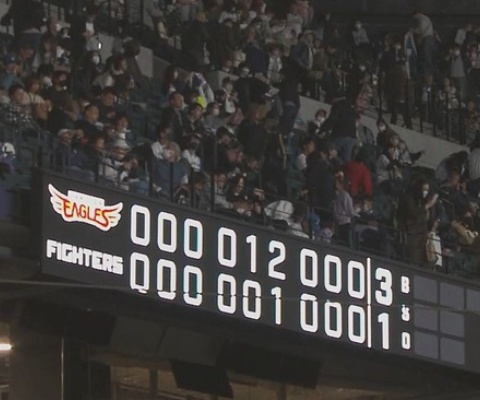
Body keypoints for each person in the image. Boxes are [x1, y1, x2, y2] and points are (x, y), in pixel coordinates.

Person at [398, 178, 438, 265]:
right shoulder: (408, 199)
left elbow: (429, 218)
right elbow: (412, 213)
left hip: (424, 236)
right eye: (424, 189)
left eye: (427, 190)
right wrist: (427, 206)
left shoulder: (424, 200)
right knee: (414, 261)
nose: (425, 192)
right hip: (412, 236)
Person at [321, 92, 357, 163]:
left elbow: (332, 119)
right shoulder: (350, 107)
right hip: (352, 137)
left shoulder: (338, 105)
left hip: (340, 135)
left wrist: (323, 130)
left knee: (329, 155)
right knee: (346, 161)